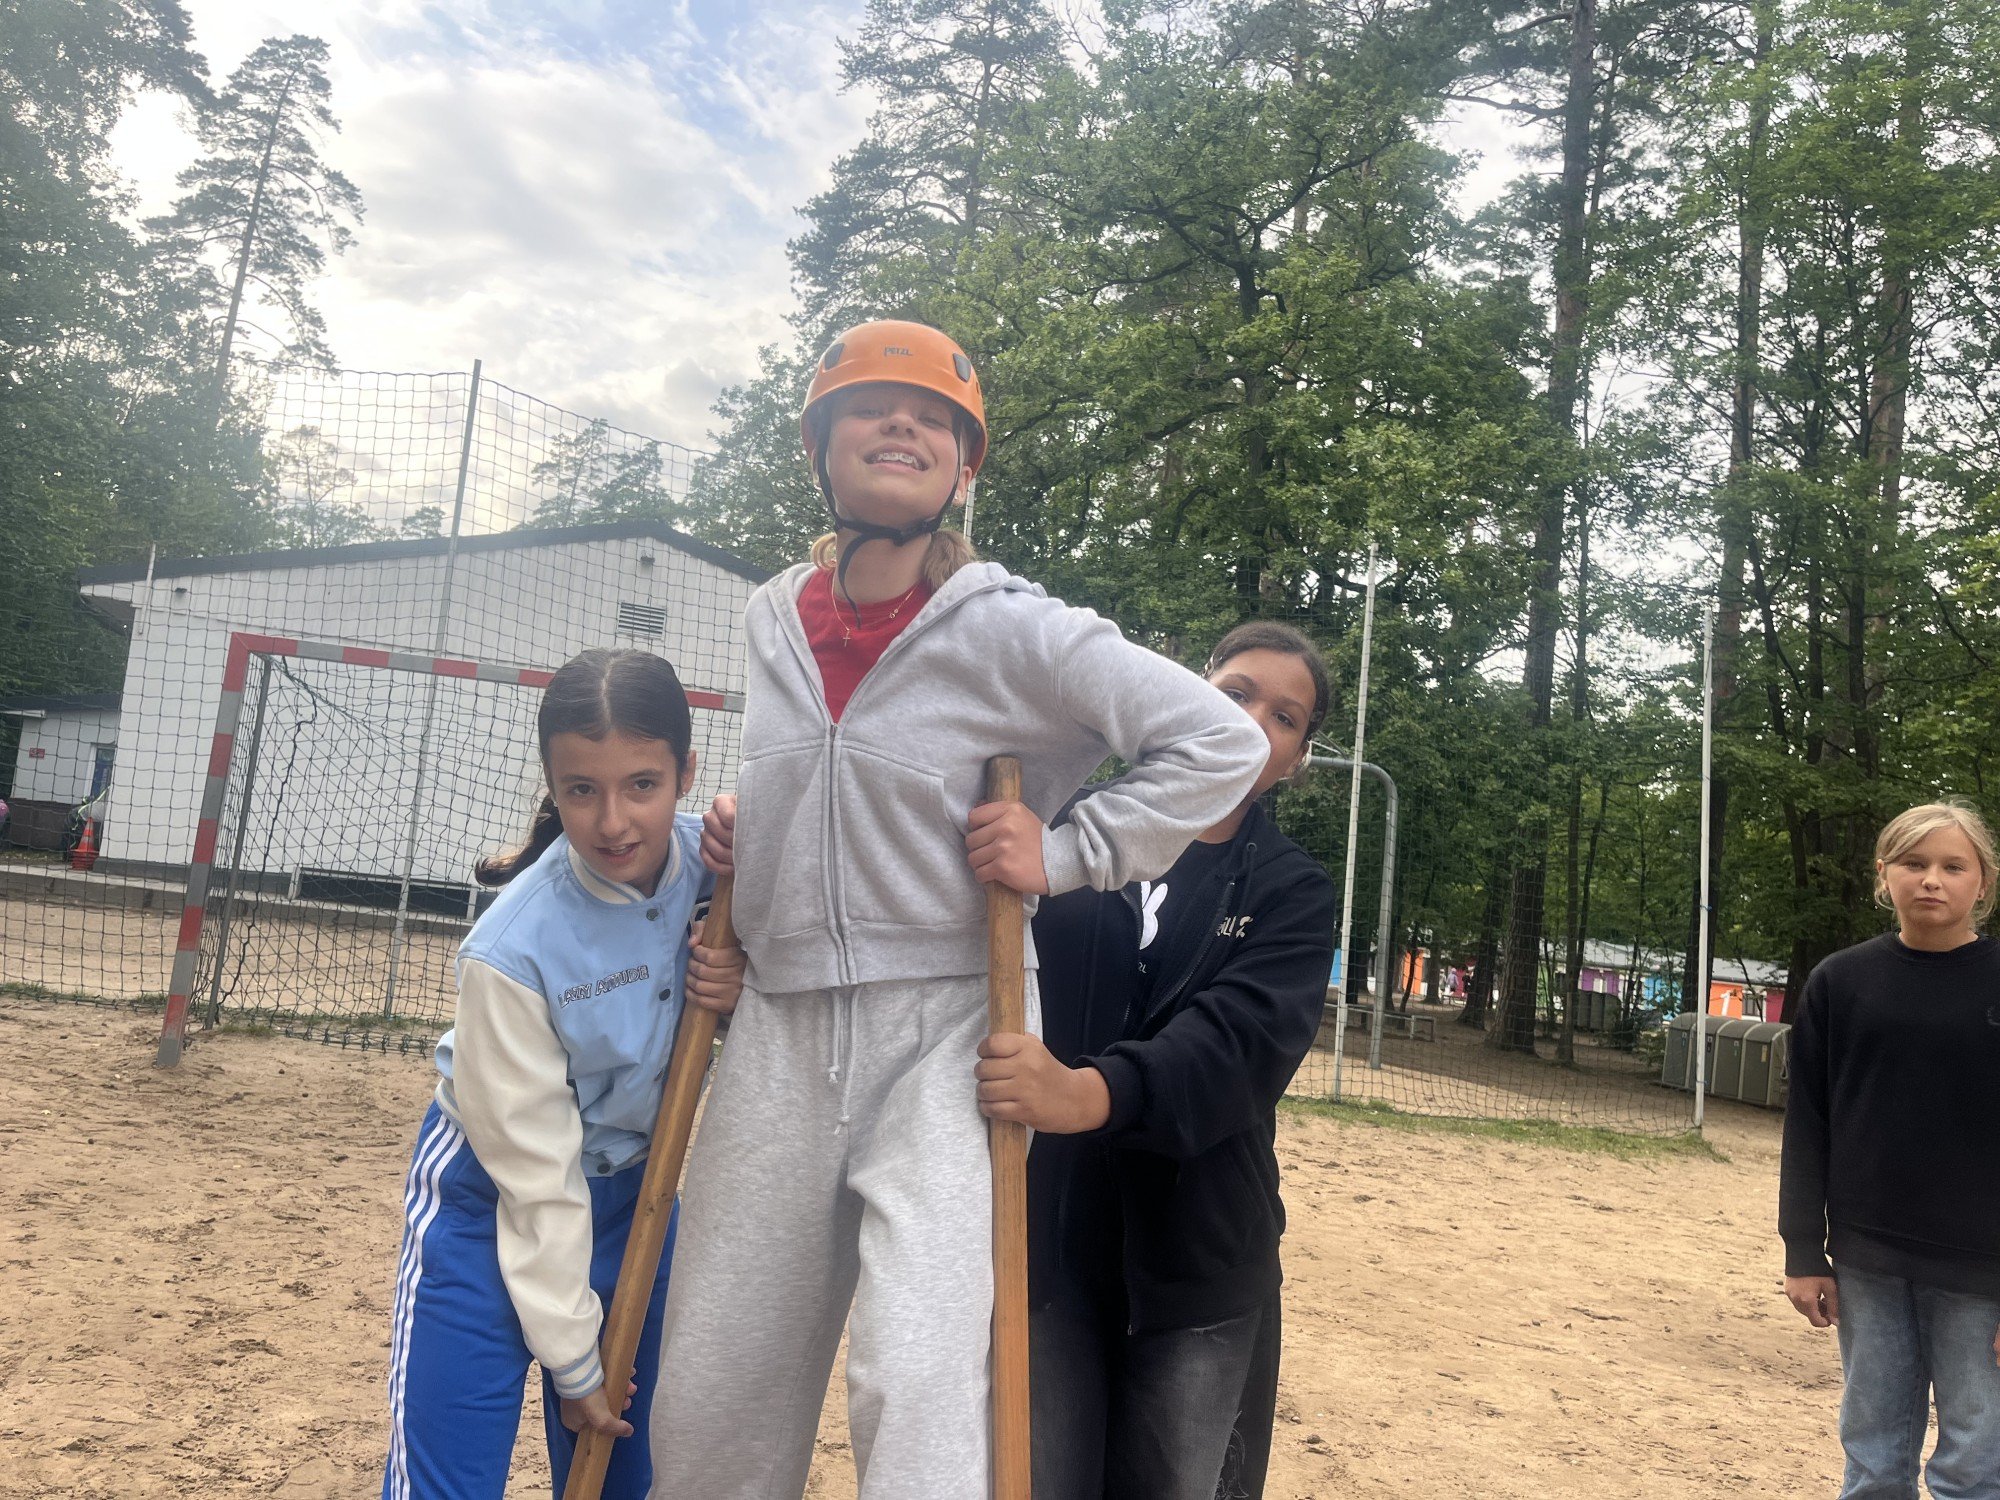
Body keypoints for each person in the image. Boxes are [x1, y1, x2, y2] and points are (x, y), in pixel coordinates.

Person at [646, 319, 1268, 1499]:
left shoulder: (1011, 626)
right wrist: (751, 830)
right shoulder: (771, 615)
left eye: (934, 417)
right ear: (819, 445)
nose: (903, 424)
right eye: (871, 405)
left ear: (963, 466)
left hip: (945, 1029)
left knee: (915, 1375)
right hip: (778, 1029)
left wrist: (1070, 849)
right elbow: (824, 776)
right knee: (716, 1378)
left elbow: (1219, 742)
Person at [977, 619, 1337, 1500]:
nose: (1254, 723)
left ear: (1297, 758)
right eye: (1237, 694)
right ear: (1188, 694)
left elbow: (1238, 1047)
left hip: (1198, 1267)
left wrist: (1089, 1093)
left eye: (1285, 718)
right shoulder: (1062, 835)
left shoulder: (1292, 891)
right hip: (1048, 1243)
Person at [382, 649, 744, 1500]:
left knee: (627, 1472)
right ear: (552, 785)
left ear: (687, 773)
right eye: (583, 790)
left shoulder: (721, 872)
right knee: (449, 1477)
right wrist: (575, 1360)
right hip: (489, 1197)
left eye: (643, 785)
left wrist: (741, 986)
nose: (614, 821)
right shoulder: (512, 949)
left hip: (637, 1198)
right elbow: (535, 1176)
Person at [1780, 799, 2000, 1500]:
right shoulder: (1839, 982)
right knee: (1874, 1459)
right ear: (1884, 874)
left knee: (1975, 1466)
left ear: (1984, 881)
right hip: (1867, 1258)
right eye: (1913, 863)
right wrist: (1802, 1250)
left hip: (1982, 1271)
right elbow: (1808, 1122)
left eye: (1953, 866)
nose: (1931, 879)